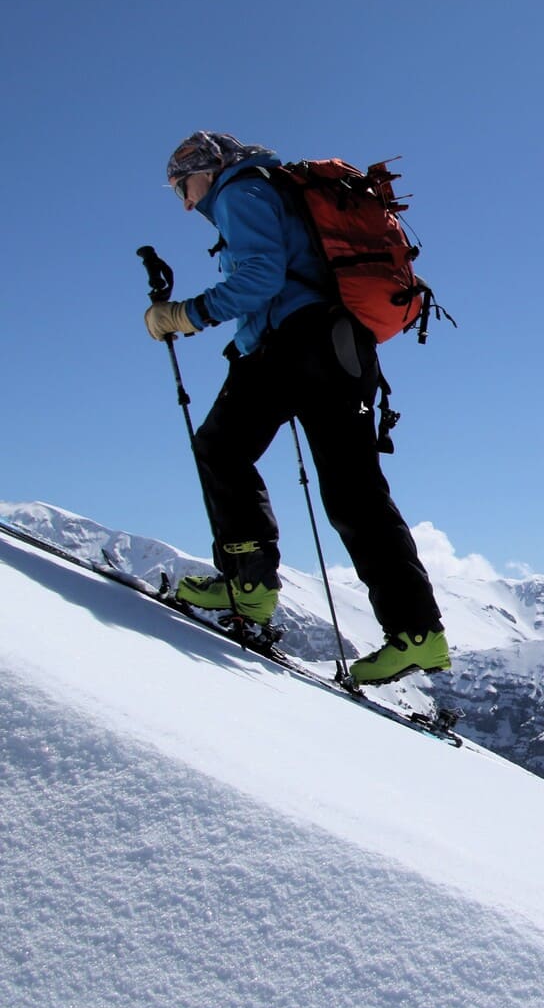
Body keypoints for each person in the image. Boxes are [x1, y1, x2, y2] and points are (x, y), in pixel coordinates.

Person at [146, 131, 451, 686]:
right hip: (342, 349)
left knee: (221, 447)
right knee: (355, 491)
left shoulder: (239, 193)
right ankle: (417, 634)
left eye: (183, 187)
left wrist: (185, 315)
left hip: (295, 346)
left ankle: (249, 585)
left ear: (206, 170)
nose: (185, 202)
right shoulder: (275, 191)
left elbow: (260, 279)